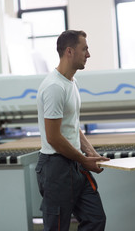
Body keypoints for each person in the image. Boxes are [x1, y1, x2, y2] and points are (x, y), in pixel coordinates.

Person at [35, 30, 110, 231]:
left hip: (75, 164)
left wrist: (91, 152)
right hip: (56, 167)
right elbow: (53, 137)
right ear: (69, 51)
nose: (89, 54)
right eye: (84, 49)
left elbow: (71, 125)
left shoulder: (71, 82)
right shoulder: (54, 87)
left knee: (95, 219)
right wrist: (83, 159)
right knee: (58, 227)